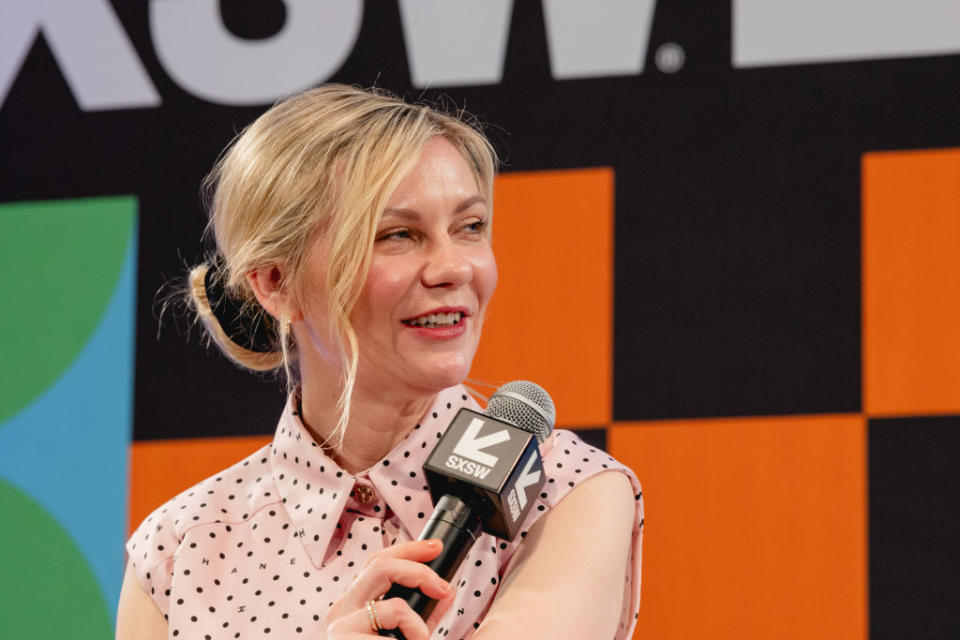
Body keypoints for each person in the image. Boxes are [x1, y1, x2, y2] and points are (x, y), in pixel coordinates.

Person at [116, 85, 644, 640]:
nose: (453, 268)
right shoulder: (182, 547)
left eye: (470, 227)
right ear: (276, 283)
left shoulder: (566, 489)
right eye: (398, 235)